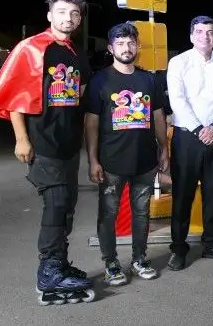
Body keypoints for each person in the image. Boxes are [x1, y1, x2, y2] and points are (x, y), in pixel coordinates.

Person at [0, 0, 96, 305]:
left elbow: (81, 99)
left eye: (74, 13)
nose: (68, 18)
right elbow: (14, 95)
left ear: (80, 19)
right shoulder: (32, 48)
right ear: (49, 15)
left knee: (67, 207)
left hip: (69, 144)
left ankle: (59, 263)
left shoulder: (76, 53)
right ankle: (49, 274)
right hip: (43, 142)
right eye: (61, 12)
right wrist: (21, 138)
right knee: (56, 204)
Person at [84, 22, 169, 285]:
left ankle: (139, 259)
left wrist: (164, 148)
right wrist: (93, 160)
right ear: (111, 48)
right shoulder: (100, 79)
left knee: (141, 212)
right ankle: (111, 263)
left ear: (138, 46)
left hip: (144, 161)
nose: (126, 47)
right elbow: (91, 122)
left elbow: (157, 115)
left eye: (131, 42)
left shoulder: (149, 79)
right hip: (111, 162)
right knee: (108, 214)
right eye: (120, 43)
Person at [166, 16, 213, 270]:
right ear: (191, 36)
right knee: (183, 194)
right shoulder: (178, 63)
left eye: (210, 32)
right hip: (187, 137)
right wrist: (200, 129)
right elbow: (177, 101)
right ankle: (178, 248)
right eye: (199, 32)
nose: (205, 37)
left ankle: (211, 244)